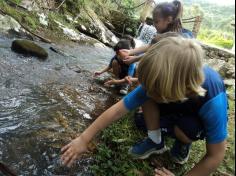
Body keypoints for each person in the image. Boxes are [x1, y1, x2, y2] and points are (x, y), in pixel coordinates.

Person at [61, 37, 228, 176]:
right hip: (174, 103)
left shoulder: (213, 99)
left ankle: (183, 144)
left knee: (185, 129)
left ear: (175, 86)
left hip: (193, 118)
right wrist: (83, 138)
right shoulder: (160, 81)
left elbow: (216, 155)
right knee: (142, 115)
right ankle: (156, 140)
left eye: (154, 89)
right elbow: (118, 110)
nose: (147, 90)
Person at [123, 0, 194, 65]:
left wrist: (135, 59)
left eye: (156, 22)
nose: (153, 25)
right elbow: (151, 46)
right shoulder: (165, 32)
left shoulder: (177, 40)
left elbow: (155, 53)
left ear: (169, 20)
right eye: (153, 21)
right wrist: (130, 52)